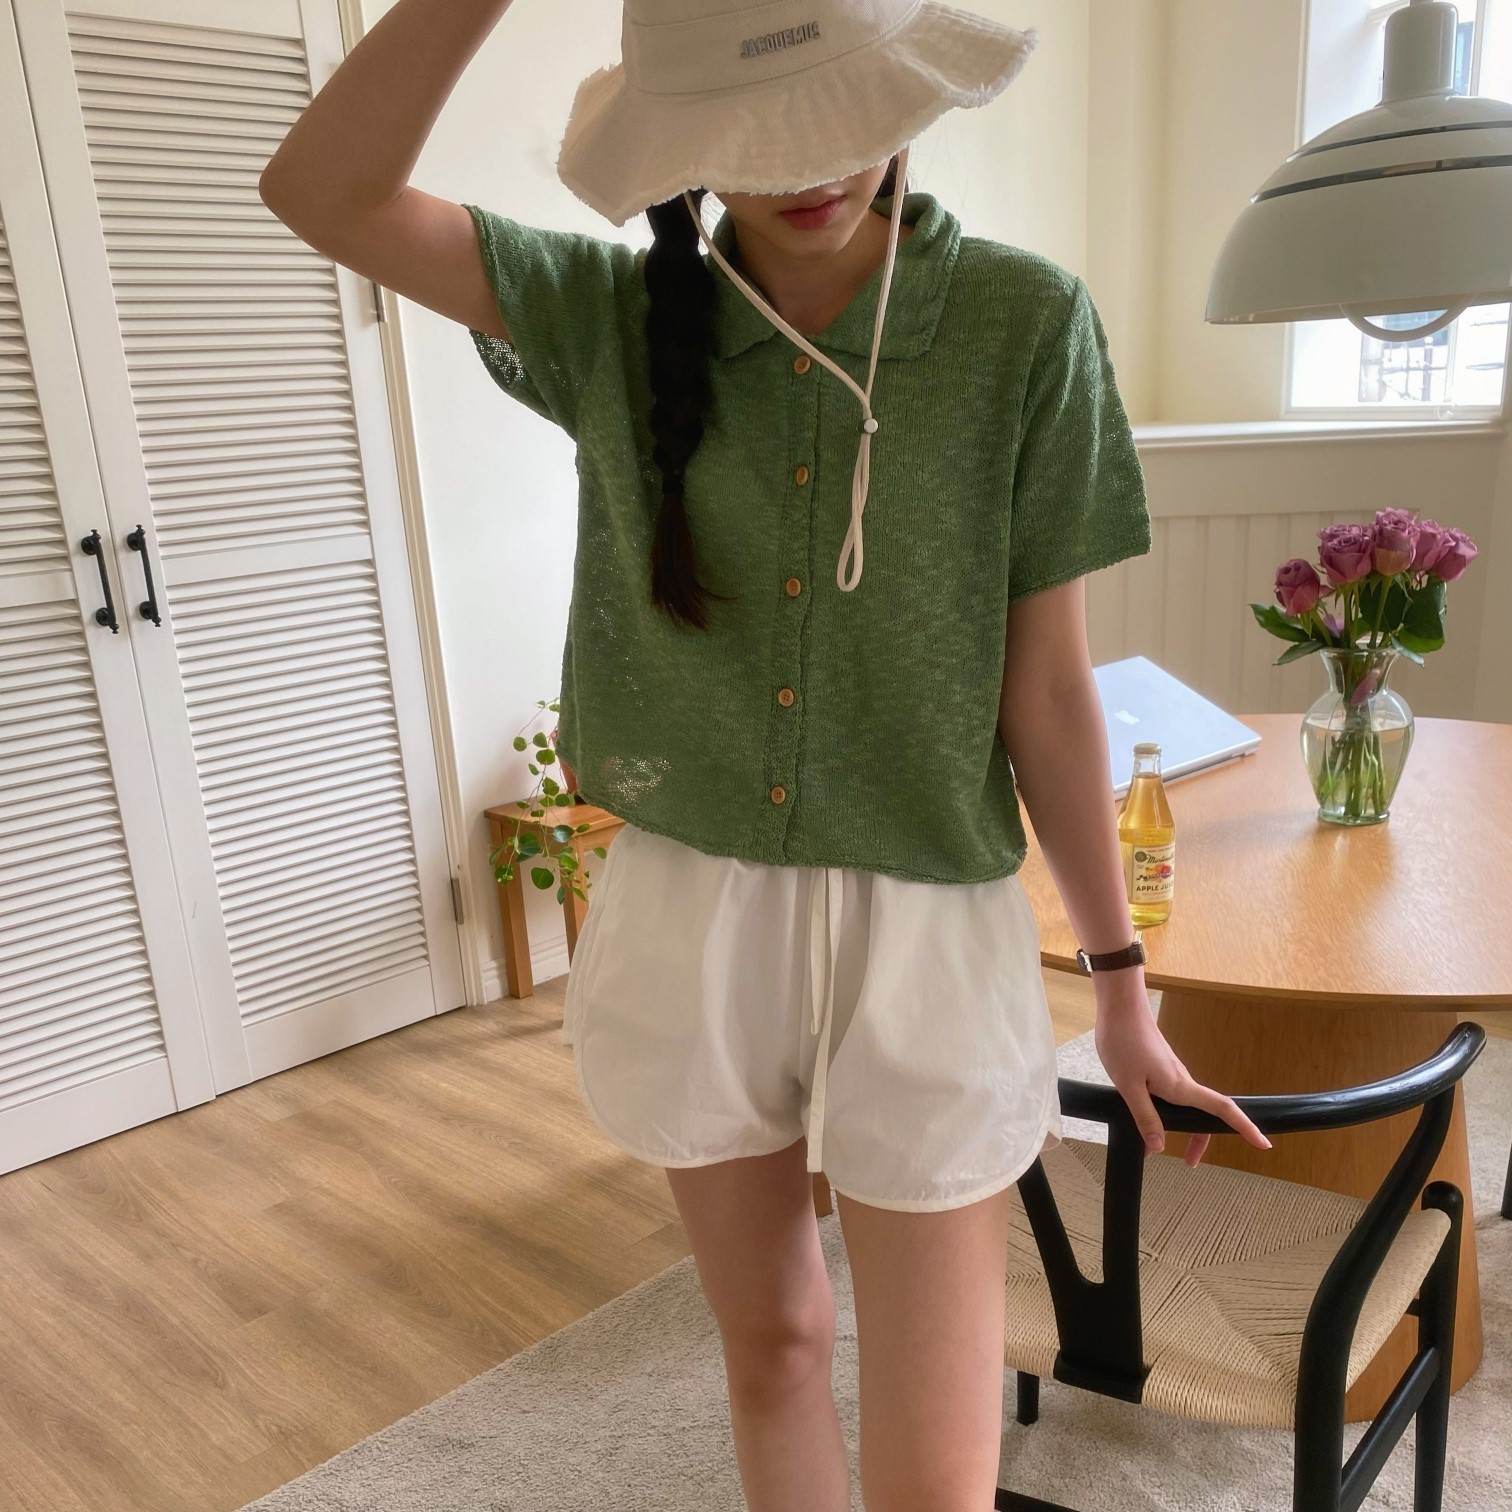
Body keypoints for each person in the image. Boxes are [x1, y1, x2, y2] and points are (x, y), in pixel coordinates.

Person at [259, 2, 1271, 1508]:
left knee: (938, 1453)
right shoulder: (608, 317)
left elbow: (1048, 690)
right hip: (694, 907)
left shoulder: (1022, 324)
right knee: (776, 1347)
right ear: (678, 139)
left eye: (842, 114)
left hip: (929, 922)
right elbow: (322, 191)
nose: (811, 169)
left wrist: (1119, 988)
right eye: (752, 132)